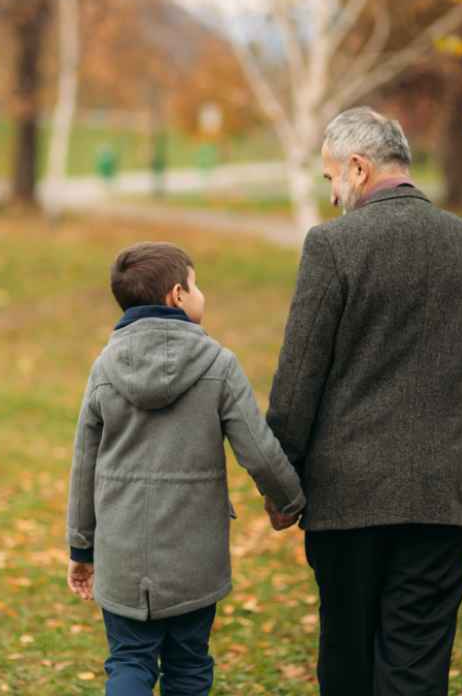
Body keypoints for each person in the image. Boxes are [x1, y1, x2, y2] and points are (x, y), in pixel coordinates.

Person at [265, 107, 462, 695]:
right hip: (439, 501)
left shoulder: (332, 247)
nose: (331, 196)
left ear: (358, 167)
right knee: (416, 671)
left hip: (345, 502)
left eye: (330, 179)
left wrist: (281, 484)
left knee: (347, 664)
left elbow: (298, 380)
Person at [66, 241, 305, 696]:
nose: (201, 292)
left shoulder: (105, 367)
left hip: (121, 554)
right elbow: (257, 449)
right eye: (196, 284)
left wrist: (81, 549)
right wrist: (289, 499)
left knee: (129, 661)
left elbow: (84, 465)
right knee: (189, 667)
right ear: (177, 295)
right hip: (194, 557)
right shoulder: (218, 364)